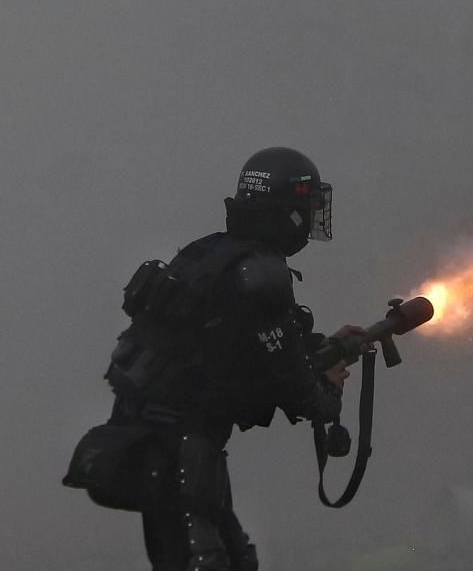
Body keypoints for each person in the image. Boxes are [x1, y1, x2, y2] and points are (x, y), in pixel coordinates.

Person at [66, 147, 362, 571]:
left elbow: (237, 344)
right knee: (203, 562)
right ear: (288, 211)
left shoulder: (210, 253)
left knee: (229, 559)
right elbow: (297, 391)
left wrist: (321, 345)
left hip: (154, 433)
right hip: (182, 447)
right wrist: (329, 388)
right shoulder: (261, 275)